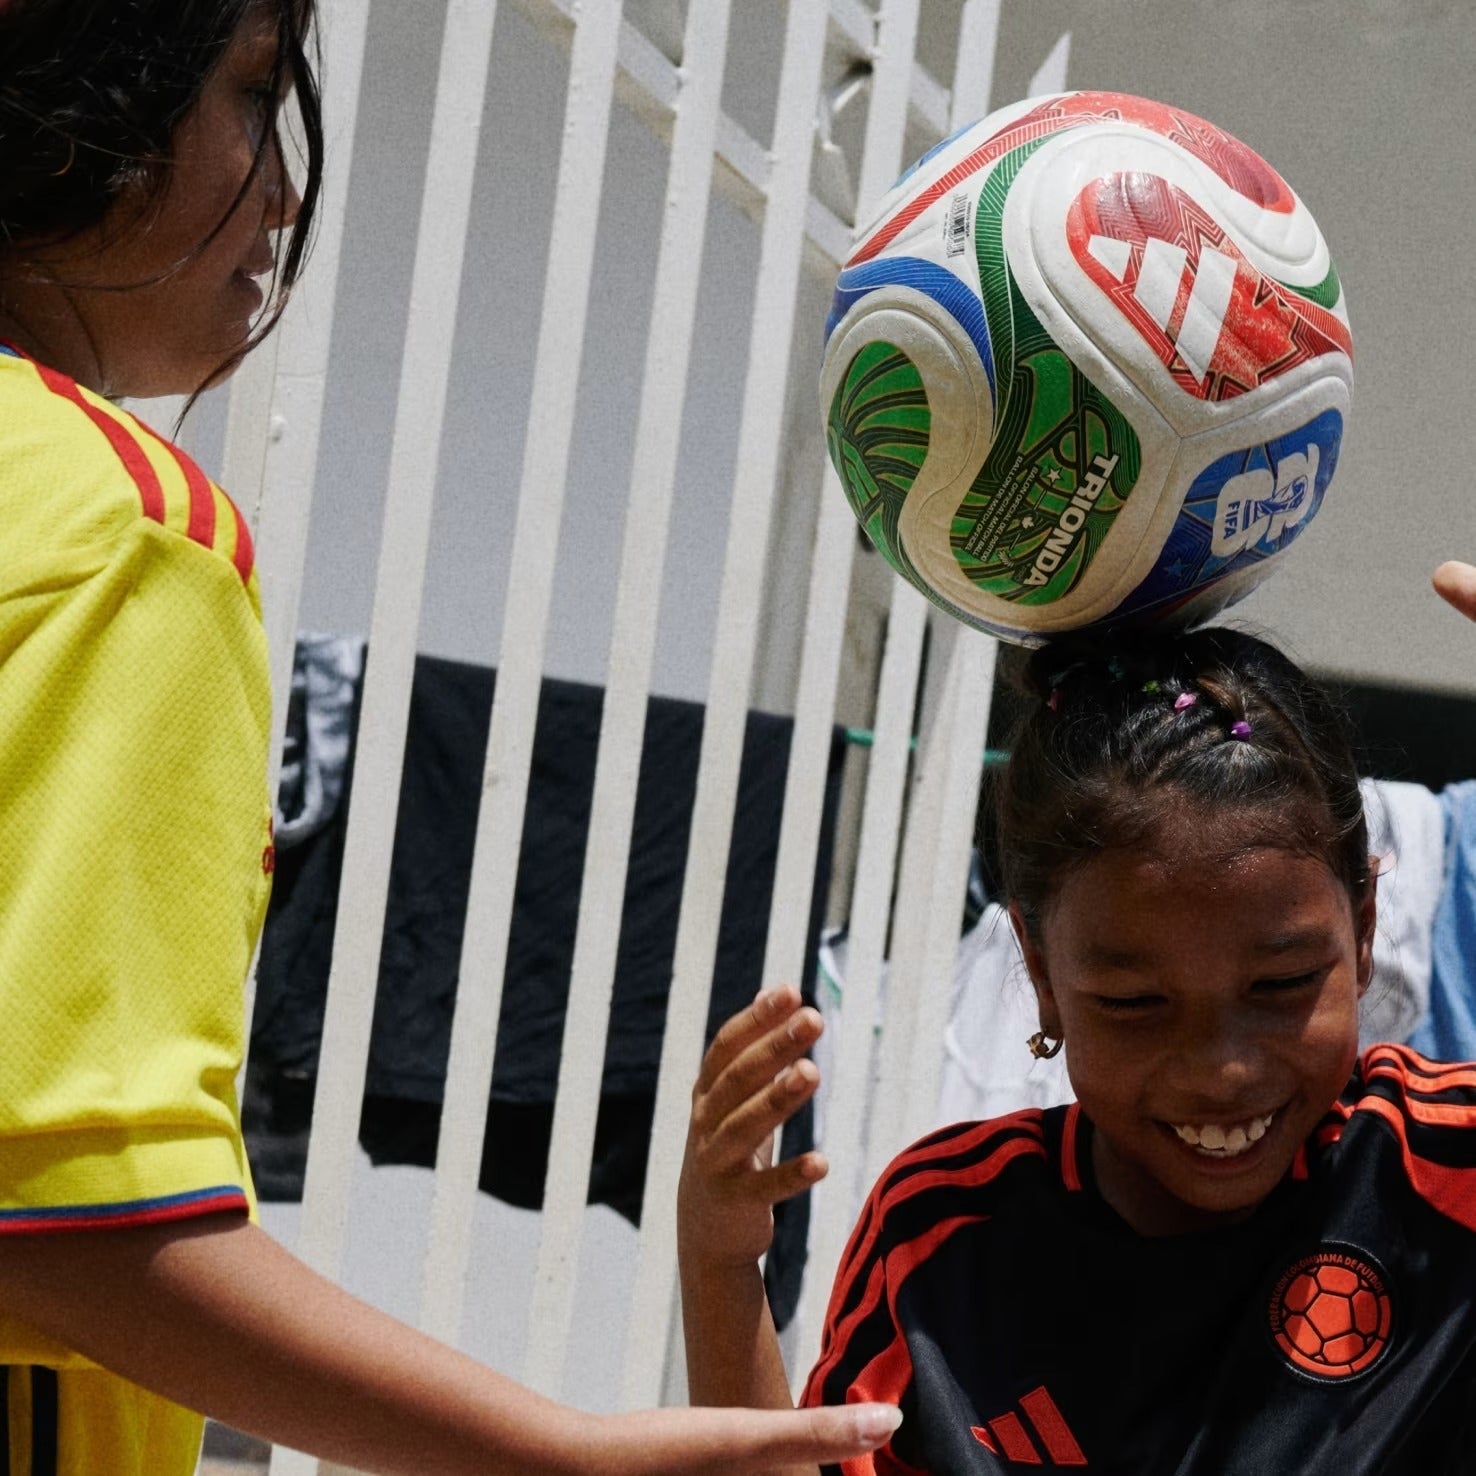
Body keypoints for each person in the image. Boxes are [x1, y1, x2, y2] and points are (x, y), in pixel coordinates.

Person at [0, 3, 905, 1473]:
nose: (283, 187)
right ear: (74, 99)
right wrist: (559, 1448)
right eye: (252, 94)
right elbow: (60, 1215)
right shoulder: (125, 533)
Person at [679, 563, 1476, 1475]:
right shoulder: (942, 1246)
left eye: (1283, 985)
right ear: (1040, 971)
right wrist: (719, 1261)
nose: (1219, 1069)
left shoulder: (1439, 1168)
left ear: (1364, 930)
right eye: (1135, 1003)